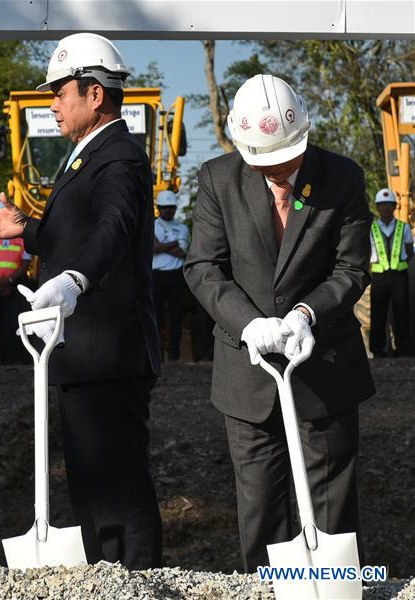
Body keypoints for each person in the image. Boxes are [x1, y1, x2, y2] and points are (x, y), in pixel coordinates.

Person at [0, 33, 162, 569]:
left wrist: (74, 279)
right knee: (95, 491)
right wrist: (26, 228)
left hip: (108, 352)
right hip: (83, 353)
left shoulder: (117, 156)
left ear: (95, 94)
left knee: (119, 490)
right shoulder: (88, 156)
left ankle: (135, 582)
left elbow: (113, 229)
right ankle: (107, 579)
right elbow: (78, 233)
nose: (53, 102)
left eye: (60, 91)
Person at [184, 74, 374, 572]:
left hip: (325, 366)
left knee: (333, 512)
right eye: (265, 162)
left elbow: (352, 268)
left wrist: (308, 313)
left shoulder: (343, 178)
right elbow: (203, 266)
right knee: (261, 511)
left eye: (286, 158)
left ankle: (334, 586)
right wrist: (248, 323)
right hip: (247, 378)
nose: (278, 169)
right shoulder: (217, 179)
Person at [0, 201, 32, 365]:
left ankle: (14, 358)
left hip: (15, 286)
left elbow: (26, 263)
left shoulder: (21, 235)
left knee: (15, 323)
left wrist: (8, 281)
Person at [369, 188, 412, 358]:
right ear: (377, 207)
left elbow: (409, 251)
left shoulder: (405, 227)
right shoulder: (371, 228)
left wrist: (400, 264)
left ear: (395, 206)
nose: (386, 208)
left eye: (389, 204)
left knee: (401, 314)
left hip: (399, 278)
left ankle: (402, 349)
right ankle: (378, 350)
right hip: (379, 278)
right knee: (378, 315)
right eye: (382, 205)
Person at [152, 189, 189, 361]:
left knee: (176, 315)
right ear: (158, 208)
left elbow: (182, 251)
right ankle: (157, 353)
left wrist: (160, 246)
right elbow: (151, 249)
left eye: (171, 207)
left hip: (176, 276)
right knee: (155, 315)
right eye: (164, 207)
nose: (168, 210)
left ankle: (174, 354)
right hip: (156, 276)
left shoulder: (182, 227)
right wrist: (172, 244)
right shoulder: (150, 225)